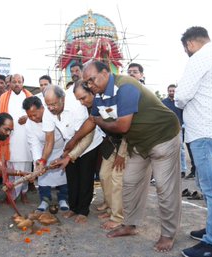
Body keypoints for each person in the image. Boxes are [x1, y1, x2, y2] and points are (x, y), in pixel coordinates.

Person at [65, 61, 181, 252]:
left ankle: (168, 234)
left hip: (163, 137)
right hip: (138, 143)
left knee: (164, 187)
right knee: (129, 182)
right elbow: (91, 121)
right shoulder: (99, 96)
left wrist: (100, 121)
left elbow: (121, 127)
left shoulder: (125, 86)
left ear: (106, 72)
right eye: (86, 82)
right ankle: (130, 225)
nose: (89, 85)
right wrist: (73, 141)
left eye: (91, 79)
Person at [175, 26, 212, 257]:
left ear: (190, 44)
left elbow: (181, 95)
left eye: (186, 50)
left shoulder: (200, 57)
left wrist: (180, 101)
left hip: (203, 131)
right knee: (210, 187)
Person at [38, 85, 104, 224]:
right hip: (70, 143)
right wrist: (43, 160)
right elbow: (49, 140)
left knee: (85, 177)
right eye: (48, 105)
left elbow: (85, 135)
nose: (51, 108)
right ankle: (73, 207)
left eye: (54, 104)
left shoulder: (76, 105)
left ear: (62, 99)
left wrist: (67, 156)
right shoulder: (48, 111)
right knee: (72, 176)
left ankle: (83, 211)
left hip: (88, 143)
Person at [73, 81, 125, 230]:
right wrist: (72, 154)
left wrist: (121, 153)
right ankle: (110, 209)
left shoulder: (111, 100)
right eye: (79, 100)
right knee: (103, 175)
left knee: (117, 178)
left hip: (126, 143)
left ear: (92, 93)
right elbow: (89, 133)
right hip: (110, 144)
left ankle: (118, 217)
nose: (82, 103)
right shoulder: (93, 108)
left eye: (83, 98)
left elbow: (128, 127)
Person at [23, 96, 68, 211]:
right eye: (29, 116)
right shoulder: (29, 124)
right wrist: (39, 161)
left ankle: (63, 198)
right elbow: (34, 143)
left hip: (62, 148)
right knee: (42, 175)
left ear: (42, 108)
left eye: (35, 114)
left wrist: (66, 153)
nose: (33, 118)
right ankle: (45, 199)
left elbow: (67, 133)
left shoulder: (54, 114)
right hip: (45, 152)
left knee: (63, 175)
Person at [0, 74, 33, 202]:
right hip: (10, 138)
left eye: (19, 81)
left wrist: (28, 117)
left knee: (26, 166)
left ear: (23, 83)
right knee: (11, 166)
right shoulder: (4, 98)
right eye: (14, 81)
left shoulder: (30, 97)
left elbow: (37, 114)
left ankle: (24, 192)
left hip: (26, 138)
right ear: (10, 83)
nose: (17, 84)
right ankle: (11, 193)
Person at [162, 84, 187, 178]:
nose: (172, 92)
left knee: (180, 149)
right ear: (167, 91)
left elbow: (184, 115)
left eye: (173, 91)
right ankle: (169, 170)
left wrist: (182, 125)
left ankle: (183, 170)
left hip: (178, 129)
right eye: (170, 91)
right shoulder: (163, 102)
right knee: (166, 149)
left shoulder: (180, 103)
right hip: (167, 130)